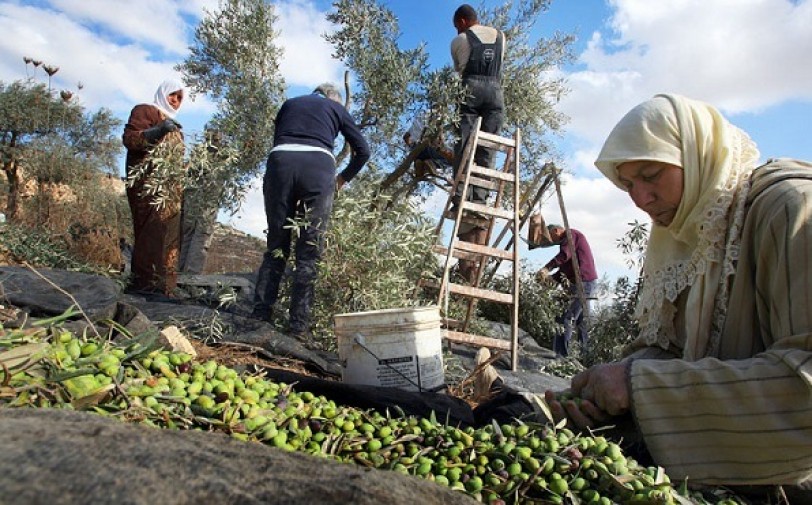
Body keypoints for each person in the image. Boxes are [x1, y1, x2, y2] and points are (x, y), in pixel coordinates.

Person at [474, 94, 812, 499]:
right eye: (628, 184)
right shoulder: (683, 233)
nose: (640, 199)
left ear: (698, 154)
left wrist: (640, 387)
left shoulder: (790, 211)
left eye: (651, 175)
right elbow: (672, 350)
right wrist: (612, 388)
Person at [252, 83, 370, 338]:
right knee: (309, 249)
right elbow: (363, 150)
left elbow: (279, 137)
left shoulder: (290, 103)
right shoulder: (336, 108)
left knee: (277, 244)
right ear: (334, 100)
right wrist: (342, 178)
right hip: (317, 168)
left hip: (280, 162)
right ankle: (298, 328)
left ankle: (260, 315)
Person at [122, 79, 185, 295]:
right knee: (151, 233)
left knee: (170, 238)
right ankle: (145, 286)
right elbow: (131, 140)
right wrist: (158, 130)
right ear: (163, 94)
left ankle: (165, 288)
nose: (175, 101)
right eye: (172, 95)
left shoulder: (177, 128)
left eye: (179, 97)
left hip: (171, 192)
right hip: (147, 186)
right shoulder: (146, 111)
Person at [450, 4, 505, 206]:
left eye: (457, 26)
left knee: (463, 144)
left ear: (462, 21)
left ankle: (460, 196)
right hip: (495, 92)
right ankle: (480, 199)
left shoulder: (459, 40)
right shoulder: (500, 36)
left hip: (470, 89)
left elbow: (459, 70)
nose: (457, 30)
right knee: (488, 147)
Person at [537, 224, 598, 357]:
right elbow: (564, 270)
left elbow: (564, 255)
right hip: (586, 282)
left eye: (551, 237)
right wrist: (550, 279)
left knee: (565, 318)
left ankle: (560, 356)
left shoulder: (571, 235)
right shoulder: (570, 242)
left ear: (556, 231)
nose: (551, 241)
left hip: (582, 282)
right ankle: (586, 357)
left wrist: (547, 268)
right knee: (582, 322)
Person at [402, 112, 452, 180]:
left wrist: (411, 147)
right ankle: (432, 164)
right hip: (429, 144)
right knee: (450, 160)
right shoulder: (439, 114)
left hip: (416, 148)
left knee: (420, 159)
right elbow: (439, 128)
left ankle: (419, 164)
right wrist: (440, 142)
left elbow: (405, 137)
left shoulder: (420, 115)